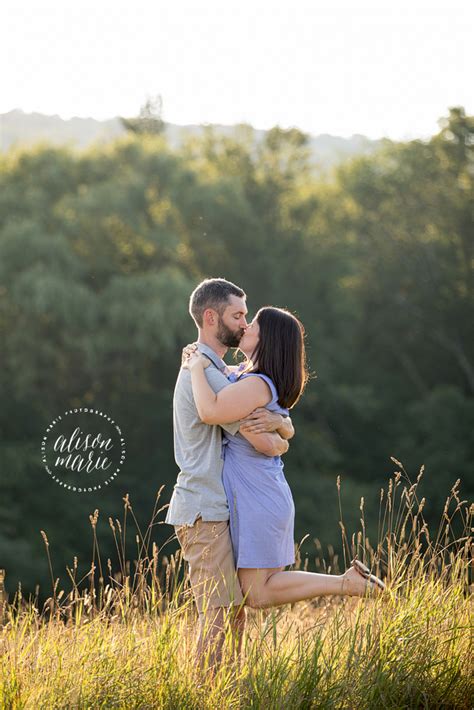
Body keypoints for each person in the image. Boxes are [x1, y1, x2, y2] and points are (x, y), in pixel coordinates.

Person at [182, 305, 386, 612]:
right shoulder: (244, 377)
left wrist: (196, 369)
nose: (246, 327)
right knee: (256, 591)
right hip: (259, 494)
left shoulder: (254, 384)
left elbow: (213, 412)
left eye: (253, 325)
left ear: (268, 340)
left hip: (259, 496)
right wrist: (284, 427)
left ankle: (347, 583)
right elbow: (276, 428)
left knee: (258, 594)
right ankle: (346, 582)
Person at [165, 278, 295, 672]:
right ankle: (206, 694)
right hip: (203, 509)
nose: (243, 323)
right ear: (210, 317)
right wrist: (282, 434)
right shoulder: (203, 371)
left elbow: (271, 432)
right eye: (238, 315)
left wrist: (281, 427)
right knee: (219, 615)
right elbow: (265, 442)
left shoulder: (213, 367)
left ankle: (227, 691)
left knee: (233, 613)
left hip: (214, 510)